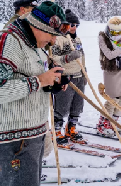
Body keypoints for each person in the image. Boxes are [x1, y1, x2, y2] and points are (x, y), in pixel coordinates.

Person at [0, 1, 68, 186]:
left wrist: (51, 81)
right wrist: (39, 81)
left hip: (34, 135)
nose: (54, 41)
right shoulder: (9, 40)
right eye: (52, 35)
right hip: (16, 141)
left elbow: (34, 75)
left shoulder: (34, 44)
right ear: (37, 26)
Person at [96, 17, 121, 136]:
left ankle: (113, 124)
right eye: (113, 32)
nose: (116, 34)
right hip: (111, 71)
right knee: (112, 99)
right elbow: (108, 55)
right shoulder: (103, 37)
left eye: (118, 32)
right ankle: (102, 125)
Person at [51, 9, 87, 145]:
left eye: (76, 25)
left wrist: (85, 73)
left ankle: (71, 128)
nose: (73, 28)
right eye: (71, 25)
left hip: (79, 76)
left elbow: (82, 57)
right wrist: (68, 57)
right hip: (66, 77)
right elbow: (53, 58)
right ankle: (56, 130)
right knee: (62, 106)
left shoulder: (77, 39)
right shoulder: (58, 39)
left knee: (77, 105)